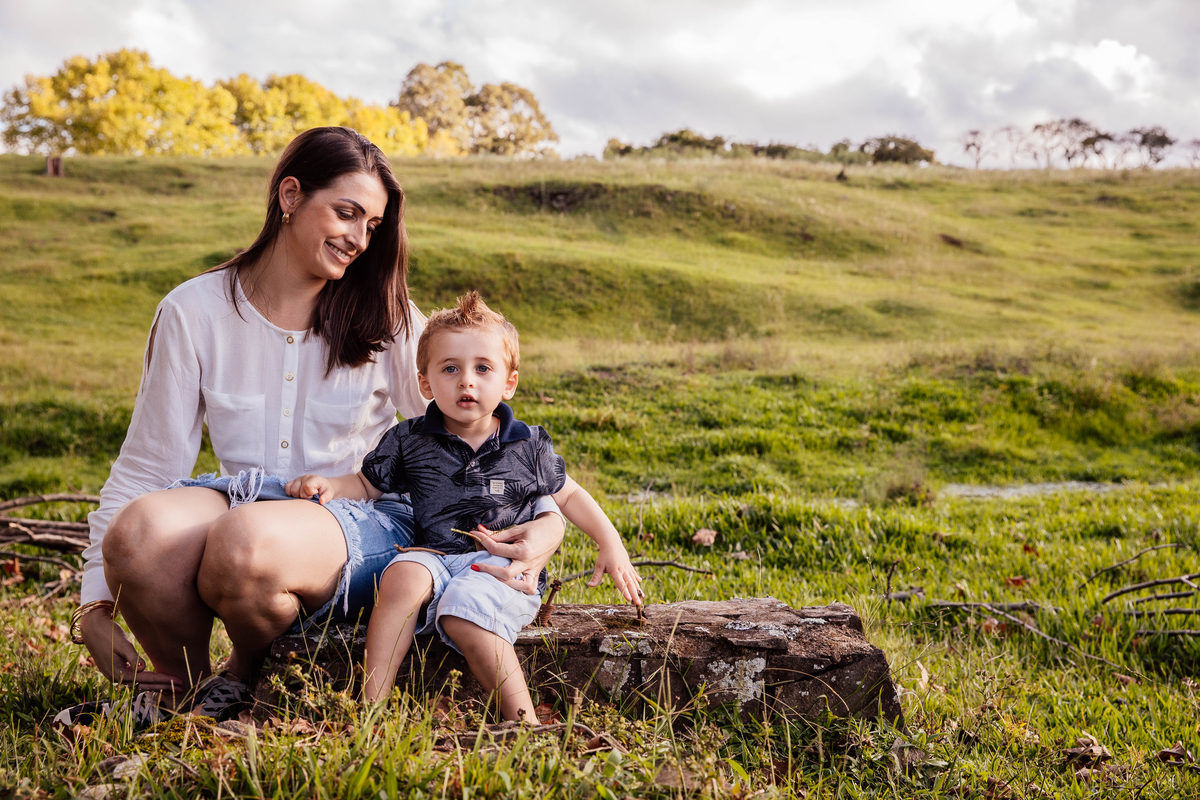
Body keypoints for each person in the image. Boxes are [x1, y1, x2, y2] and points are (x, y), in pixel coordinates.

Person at [61, 127, 566, 728]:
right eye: (346, 213)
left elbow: (474, 431)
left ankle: (244, 672)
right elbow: (147, 466)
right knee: (139, 532)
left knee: (246, 540)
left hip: (366, 522)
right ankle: (181, 691)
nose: (358, 238)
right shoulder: (193, 311)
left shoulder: (392, 320)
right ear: (291, 195)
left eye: (372, 225)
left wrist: (541, 522)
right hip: (244, 499)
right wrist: (94, 599)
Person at [285, 292, 642, 720]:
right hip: (435, 554)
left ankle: (523, 724)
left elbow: (570, 495)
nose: (465, 381)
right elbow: (366, 484)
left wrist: (610, 542)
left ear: (509, 382)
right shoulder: (409, 438)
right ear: (425, 382)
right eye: (450, 369)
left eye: (482, 369)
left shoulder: (527, 443)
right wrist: (328, 483)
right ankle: (370, 708)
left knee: (464, 610)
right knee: (401, 576)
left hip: (500, 568)